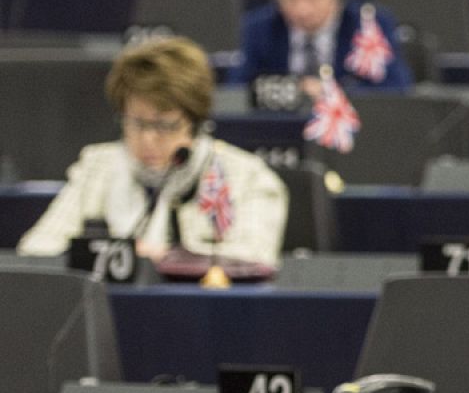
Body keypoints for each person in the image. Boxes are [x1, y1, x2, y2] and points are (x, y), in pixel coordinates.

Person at [17, 37, 287, 267]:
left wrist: (168, 258)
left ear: (196, 124)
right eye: (135, 122)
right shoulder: (97, 166)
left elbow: (255, 258)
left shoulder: (248, 177)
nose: (147, 139)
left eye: (164, 125)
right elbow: (36, 252)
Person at [229, 0, 413, 92]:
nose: (302, 9)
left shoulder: (370, 26)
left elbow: (396, 89)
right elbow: (237, 92)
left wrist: (330, 93)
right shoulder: (259, 28)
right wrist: (292, 90)